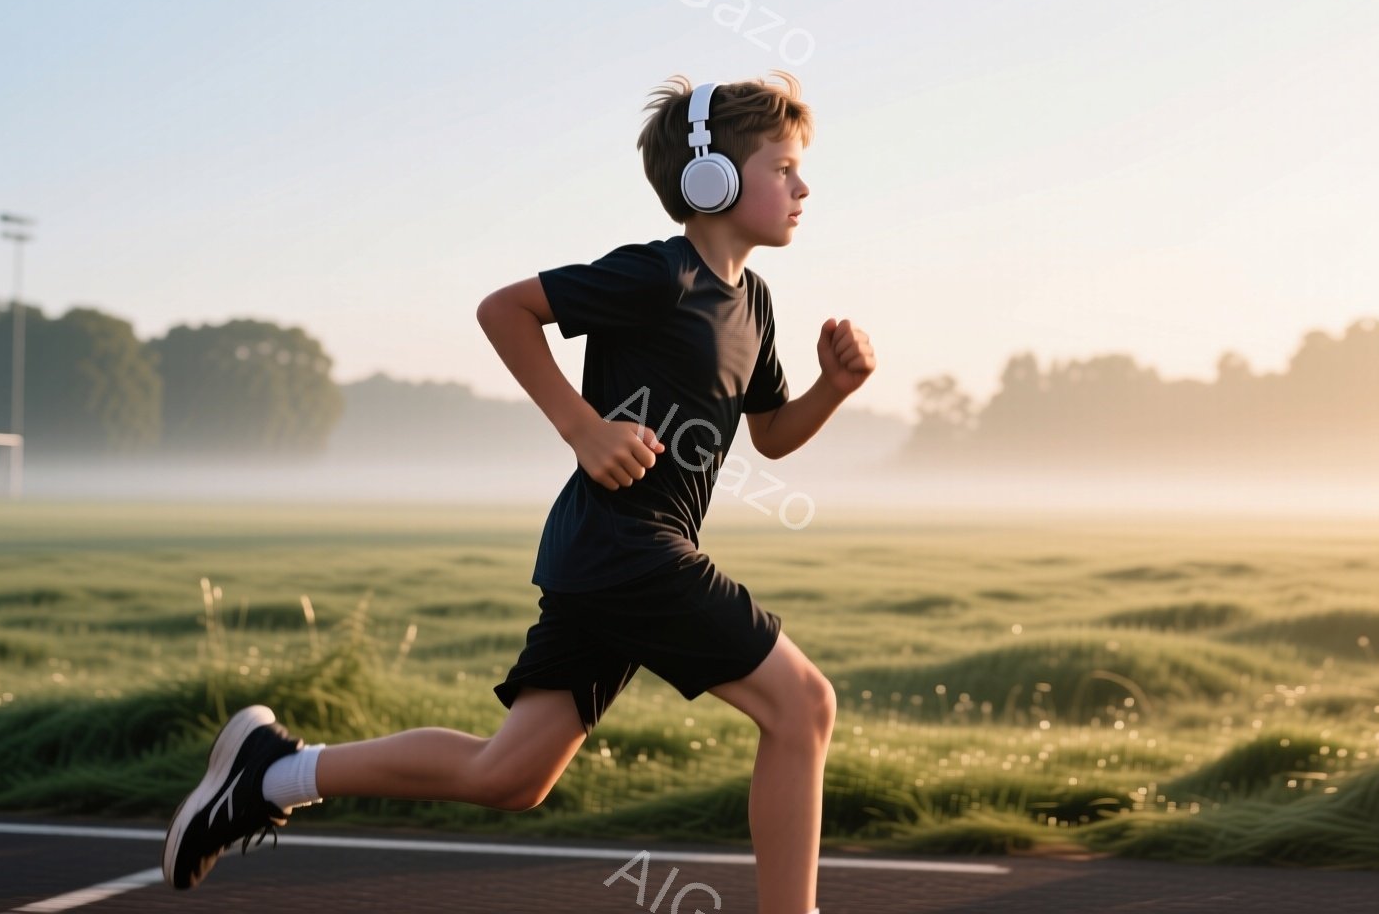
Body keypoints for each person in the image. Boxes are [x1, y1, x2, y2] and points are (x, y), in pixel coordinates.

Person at [162, 70, 875, 914]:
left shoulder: (752, 302)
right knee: (803, 706)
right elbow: (504, 310)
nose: (803, 187)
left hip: (605, 559)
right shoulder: (657, 276)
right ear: (709, 178)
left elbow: (770, 435)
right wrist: (582, 426)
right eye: (783, 167)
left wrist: (831, 389)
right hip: (630, 547)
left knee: (509, 776)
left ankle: (271, 771)